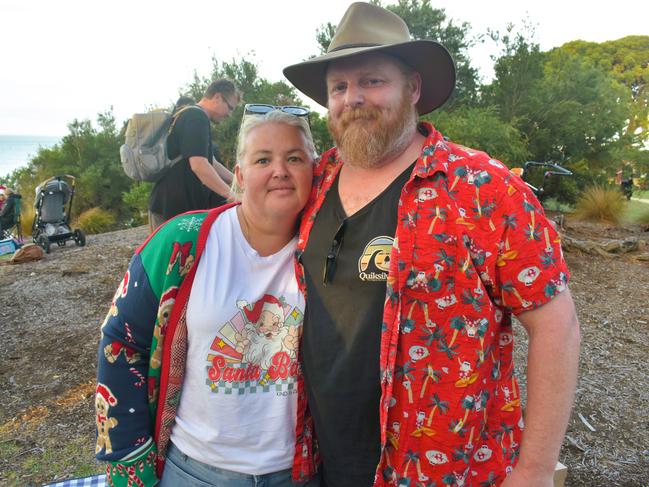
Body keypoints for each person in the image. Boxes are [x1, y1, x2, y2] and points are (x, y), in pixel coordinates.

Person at [283, 3, 581, 486]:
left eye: (372, 81)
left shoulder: (483, 189)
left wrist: (536, 470)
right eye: (339, 87)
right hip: (323, 462)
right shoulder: (313, 183)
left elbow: (557, 328)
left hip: (443, 473)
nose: (352, 97)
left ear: (413, 89)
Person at [96, 107, 319, 487]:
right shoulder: (180, 241)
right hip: (195, 470)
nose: (280, 170)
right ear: (240, 175)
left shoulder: (328, 248)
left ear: (314, 170)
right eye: (263, 159)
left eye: (294, 158)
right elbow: (120, 343)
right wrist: (128, 459)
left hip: (298, 473)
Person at [148, 79, 240, 232]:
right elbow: (199, 165)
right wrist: (232, 196)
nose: (230, 115)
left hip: (171, 206)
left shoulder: (191, 114)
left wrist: (239, 182)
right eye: (230, 108)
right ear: (217, 97)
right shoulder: (196, 117)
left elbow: (212, 162)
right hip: (172, 209)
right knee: (171, 256)